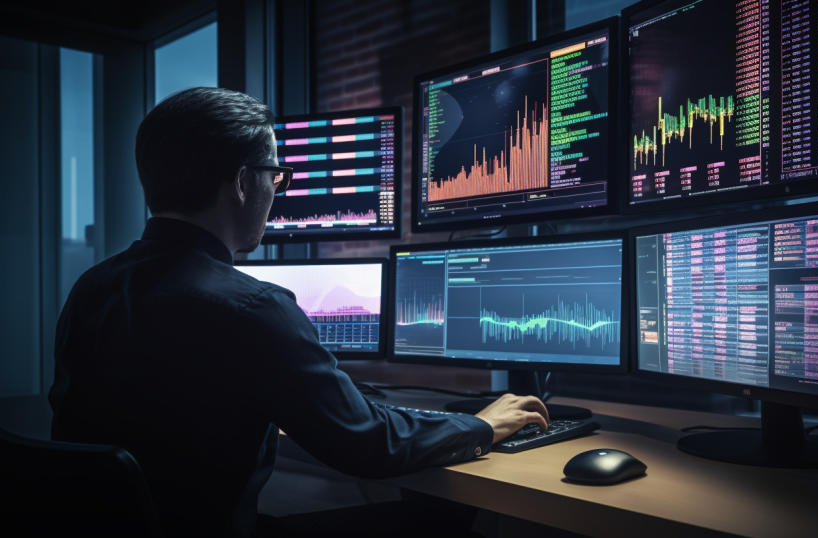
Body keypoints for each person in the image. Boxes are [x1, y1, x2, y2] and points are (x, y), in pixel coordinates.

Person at [48, 87, 549, 538]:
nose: (275, 192)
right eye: (276, 177)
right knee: (445, 521)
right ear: (244, 183)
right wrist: (482, 426)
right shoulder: (254, 308)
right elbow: (368, 446)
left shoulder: (92, 288)